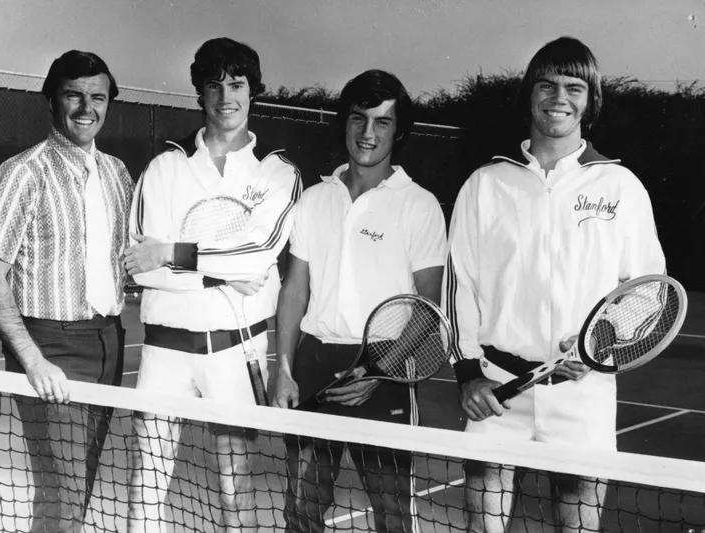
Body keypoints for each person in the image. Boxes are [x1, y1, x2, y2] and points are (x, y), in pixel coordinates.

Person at [444, 36, 666, 533]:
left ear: (591, 102)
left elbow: (647, 291)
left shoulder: (620, 188)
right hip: (495, 392)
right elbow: (458, 286)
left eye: (574, 87)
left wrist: (599, 344)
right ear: (529, 95)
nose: (559, 97)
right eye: (546, 85)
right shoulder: (485, 184)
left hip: (582, 394)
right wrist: (466, 374)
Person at [123, 37, 302, 533]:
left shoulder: (278, 172)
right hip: (164, 351)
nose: (227, 97)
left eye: (238, 84)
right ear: (200, 94)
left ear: (254, 91)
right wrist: (227, 271)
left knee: (236, 486)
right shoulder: (165, 167)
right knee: (146, 485)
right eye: (215, 85)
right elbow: (141, 266)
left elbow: (261, 257)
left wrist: (173, 253)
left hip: (236, 352)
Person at [272, 69, 447, 533]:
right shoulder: (314, 198)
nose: (367, 133)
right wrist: (283, 368)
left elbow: (428, 305)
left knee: (392, 516)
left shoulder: (419, 205)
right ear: (344, 123)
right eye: (358, 119)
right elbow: (295, 289)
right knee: (302, 511)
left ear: (400, 131)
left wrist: (377, 367)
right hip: (313, 364)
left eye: (382, 122)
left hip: (385, 369)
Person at [0, 50, 134, 533]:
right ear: (51, 101)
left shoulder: (118, 173)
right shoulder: (21, 172)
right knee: (62, 491)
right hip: (50, 345)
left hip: (109, 341)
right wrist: (33, 359)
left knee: (77, 487)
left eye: (98, 97)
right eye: (73, 95)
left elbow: (131, 260)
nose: (87, 108)